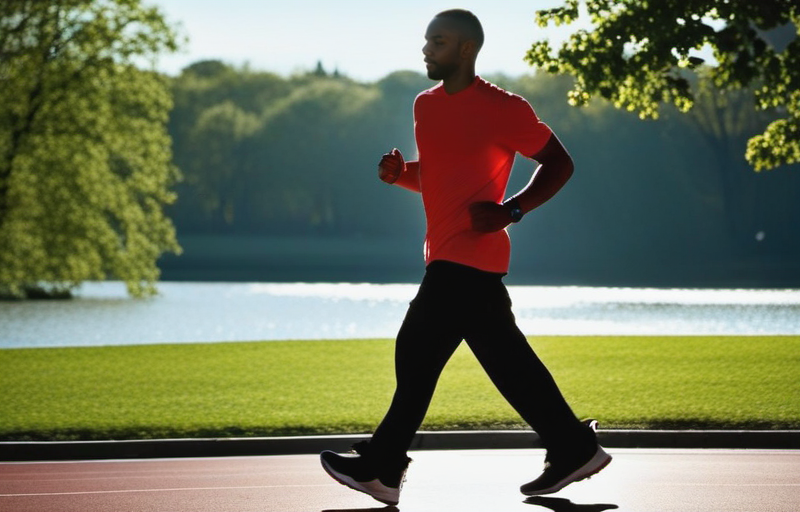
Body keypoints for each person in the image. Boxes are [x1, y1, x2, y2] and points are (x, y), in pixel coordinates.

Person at [320, 9, 611, 506]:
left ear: (466, 49)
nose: (427, 50)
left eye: (438, 42)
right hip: (449, 256)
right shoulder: (425, 106)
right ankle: (572, 446)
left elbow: (561, 163)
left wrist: (511, 210)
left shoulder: (504, 107)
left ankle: (383, 467)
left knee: (416, 353)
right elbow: (438, 173)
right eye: (427, 41)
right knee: (509, 365)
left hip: (469, 259)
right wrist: (400, 175)